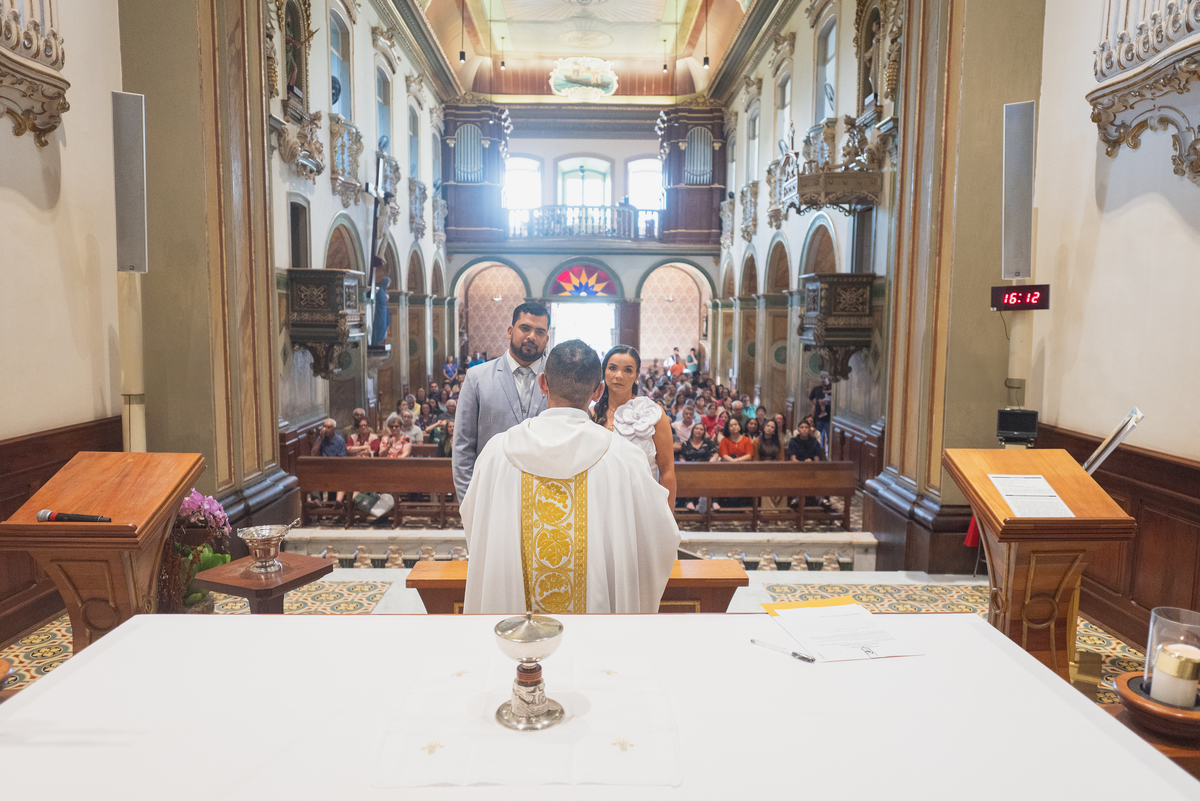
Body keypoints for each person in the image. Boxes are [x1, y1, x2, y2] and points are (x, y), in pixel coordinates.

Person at [462, 339, 680, 614]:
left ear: (542, 383)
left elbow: (476, 524)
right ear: (599, 390)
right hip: (597, 623)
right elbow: (659, 537)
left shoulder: (497, 453)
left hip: (516, 622)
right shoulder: (625, 458)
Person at [453, 302, 551, 499]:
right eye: (525, 328)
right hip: (492, 493)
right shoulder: (477, 377)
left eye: (540, 332)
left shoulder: (558, 379)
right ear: (510, 331)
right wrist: (469, 502)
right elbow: (463, 446)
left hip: (545, 496)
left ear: (546, 339)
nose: (532, 336)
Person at [593, 345, 677, 509]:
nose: (619, 375)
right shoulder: (591, 414)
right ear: (604, 373)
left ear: (637, 376)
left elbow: (667, 471)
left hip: (642, 504)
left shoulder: (653, 413)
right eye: (613, 368)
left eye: (628, 370)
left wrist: (668, 516)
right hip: (601, 504)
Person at [787, 420, 832, 512]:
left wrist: (810, 463)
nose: (804, 429)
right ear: (798, 430)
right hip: (797, 469)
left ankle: (820, 499)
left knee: (819, 476)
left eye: (806, 427)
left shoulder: (814, 442)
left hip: (812, 469)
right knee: (799, 477)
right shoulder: (793, 441)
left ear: (809, 430)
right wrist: (804, 462)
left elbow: (817, 461)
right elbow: (793, 460)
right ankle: (796, 499)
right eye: (802, 427)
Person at [677, 421, 720, 512]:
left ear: (704, 432)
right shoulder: (685, 444)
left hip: (706, 468)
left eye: (701, 429)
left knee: (713, 476)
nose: (699, 431)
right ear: (693, 430)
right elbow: (682, 457)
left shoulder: (708, 443)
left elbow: (715, 454)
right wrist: (686, 466)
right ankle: (690, 501)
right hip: (690, 469)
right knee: (689, 476)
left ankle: (714, 501)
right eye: (697, 428)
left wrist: (710, 462)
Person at [809, 374, 832, 451]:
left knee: (830, 438)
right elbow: (810, 399)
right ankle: (817, 453)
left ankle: (828, 456)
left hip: (829, 419)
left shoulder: (833, 390)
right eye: (821, 377)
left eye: (824, 377)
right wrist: (813, 406)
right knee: (817, 437)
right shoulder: (817, 389)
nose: (822, 379)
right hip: (818, 418)